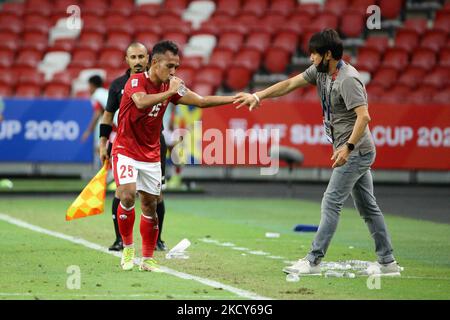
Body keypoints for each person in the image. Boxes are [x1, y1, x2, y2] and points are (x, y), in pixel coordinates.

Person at [234, 29, 401, 276]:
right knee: (367, 207)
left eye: (315, 54)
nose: (311, 58)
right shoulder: (321, 72)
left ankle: (313, 260)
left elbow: (364, 116)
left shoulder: (348, 79)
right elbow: (290, 83)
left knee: (331, 201)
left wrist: (348, 147)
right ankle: (387, 262)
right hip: (350, 149)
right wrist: (259, 95)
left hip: (356, 151)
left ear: (328, 55)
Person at [109, 40, 235, 271]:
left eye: (176, 66)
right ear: (155, 63)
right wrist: (170, 91)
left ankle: (147, 258)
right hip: (126, 150)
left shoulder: (171, 84)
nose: (174, 71)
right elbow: (141, 101)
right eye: (170, 66)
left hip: (151, 154)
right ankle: (127, 249)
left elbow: (202, 101)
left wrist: (236, 98)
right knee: (127, 196)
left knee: (150, 205)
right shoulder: (136, 81)